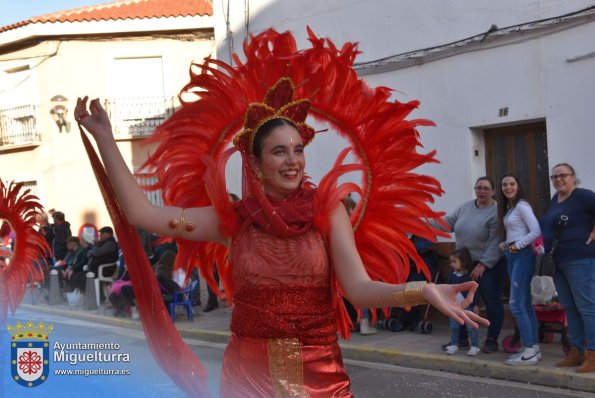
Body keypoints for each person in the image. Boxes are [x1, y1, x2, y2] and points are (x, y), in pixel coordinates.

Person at [74, 29, 488, 396]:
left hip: (320, 374)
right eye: (278, 151)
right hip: (247, 375)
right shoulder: (231, 221)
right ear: (255, 164)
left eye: (299, 149)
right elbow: (143, 214)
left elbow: (359, 289)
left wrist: (423, 291)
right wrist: (107, 140)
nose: (293, 161)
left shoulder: (328, 212)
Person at [439, 177, 507, 353]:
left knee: (492, 302)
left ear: (493, 191)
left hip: (489, 264)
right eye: (479, 188)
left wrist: (484, 264)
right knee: (460, 302)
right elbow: (447, 223)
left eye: (486, 188)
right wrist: (423, 222)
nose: (482, 191)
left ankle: (492, 339)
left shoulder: (496, 211)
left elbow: (496, 241)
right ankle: (461, 339)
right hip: (466, 264)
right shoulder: (466, 207)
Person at [540, 163, 595, 373]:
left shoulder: (582, 196)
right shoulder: (556, 199)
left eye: (563, 175)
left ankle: (593, 353)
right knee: (570, 308)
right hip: (558, 262)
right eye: (554, 177)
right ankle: (577, 351)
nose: (558, 180)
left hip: (580, 259)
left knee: (588, 308)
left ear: (573, 177)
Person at [497, 174, 542, 366]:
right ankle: (532, 349)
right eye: (505, 185)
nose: (508, 187)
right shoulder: (510, 207)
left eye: (512, 184)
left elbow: (537, 231)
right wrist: (505, 244)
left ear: (518, 186)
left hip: (522, 256)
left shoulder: (522, 206)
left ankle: (530, 349)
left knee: (516, 304)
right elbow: (516, 232)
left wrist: (518, 245)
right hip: (513, 255)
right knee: (525, 304)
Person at [444, 248, 480, 356]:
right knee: (454, 326)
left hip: (467, 306)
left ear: (463, 262)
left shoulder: (469, 277)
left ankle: (475, 346)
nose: (452, 264)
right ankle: (454, 345)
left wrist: (475, 305)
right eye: (451, 262)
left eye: (454, 262)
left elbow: (475, 292)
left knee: (471, 327)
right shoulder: (452, 275)